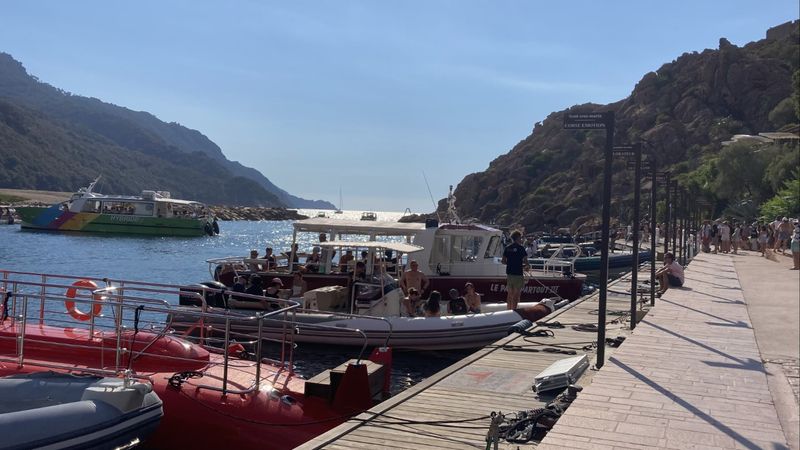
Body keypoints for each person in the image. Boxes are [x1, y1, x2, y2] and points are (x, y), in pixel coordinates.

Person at [501, 230, 528, 310]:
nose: (521, 239)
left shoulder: (507, 248)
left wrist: (510, 264)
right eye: (521, 238)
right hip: (518, 273)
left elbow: (503, 261)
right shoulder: (521, 248)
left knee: (510, 294)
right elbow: (526, 262)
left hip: (509, 273)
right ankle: (514, 311)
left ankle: (508, 310)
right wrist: (525, 266)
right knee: (516, 295)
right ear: (518, 238)